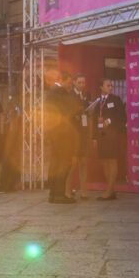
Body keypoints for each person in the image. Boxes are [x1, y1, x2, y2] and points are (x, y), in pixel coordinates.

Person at [45, 70, 77, 204]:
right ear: (63, 80)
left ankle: (53, 194)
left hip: (54, 133)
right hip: (62, 133)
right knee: (64, 163)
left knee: (56, 162)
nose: (70, 85)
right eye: (69, 82)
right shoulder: (60, 92)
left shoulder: (51, 91)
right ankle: (59, 194)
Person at [93, 79, 126, 200]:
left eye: (111, 85)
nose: (111, 87)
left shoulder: (116, 100)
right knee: (104, 161)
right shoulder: (97, 101)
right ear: (101, 87)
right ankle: (111, 190)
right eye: (108, 85)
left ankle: (109, 190)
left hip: (112, 135)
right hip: (101, 135)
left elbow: (122, 117)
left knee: (112, 161)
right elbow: (93, 117)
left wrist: (109, 121)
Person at [66, 73, 91, 200]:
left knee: (83, 163)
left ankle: (84, 191)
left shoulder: (86, 95)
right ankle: (68, 190)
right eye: (79, 82)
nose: (82, 85)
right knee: (72, 164)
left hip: (84, 133)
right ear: (74, 83)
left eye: (83, 82)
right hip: (74, 134)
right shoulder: (70, 96)